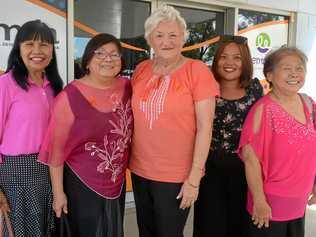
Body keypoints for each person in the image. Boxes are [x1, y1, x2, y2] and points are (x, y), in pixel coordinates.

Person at [129, 5, 219, 237]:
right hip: (140, 170)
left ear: (183, 38)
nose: (166, 41)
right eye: (159, 35)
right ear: (150, 39)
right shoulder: (141, 69)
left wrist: (194, 179)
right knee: (145, 231)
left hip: (176, 175)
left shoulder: (197, 71)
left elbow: (205, 127)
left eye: (173, 35)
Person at [38, 33, 133, 237]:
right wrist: (58, 193)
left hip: (116, 181)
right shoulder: (70, 96)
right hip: (81, 184)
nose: (108, 59)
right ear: (88, 61)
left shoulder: (127, 87)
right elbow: (56, 150)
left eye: (114, 54)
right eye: (100, 53)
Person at [238, 46, 316, 237]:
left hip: (299, 200)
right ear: (270, 75)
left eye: (299, 68)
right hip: (269, 203)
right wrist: (259, 200)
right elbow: (250, 159)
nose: (294, 74)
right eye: (286, 68)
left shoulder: (308, 104)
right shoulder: (263, 110)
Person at [193, 35, 263, 237]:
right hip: (209, 169)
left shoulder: (255, 89)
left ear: (246, 61)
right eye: (224, 57)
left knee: (240, 226)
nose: (229, 63)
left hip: (244, 169)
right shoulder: (205, 85)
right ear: (216, 60)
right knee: (209, 225)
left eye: (237, 58)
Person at [0, 20, 63, 236]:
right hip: (16, 172)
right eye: (29, 44)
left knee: (46, 228)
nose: (37, 51)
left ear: (52, 51)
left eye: (44, 45)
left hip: (50, 170)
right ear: (19, 49)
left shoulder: (54, 86)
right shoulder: (6, 84)